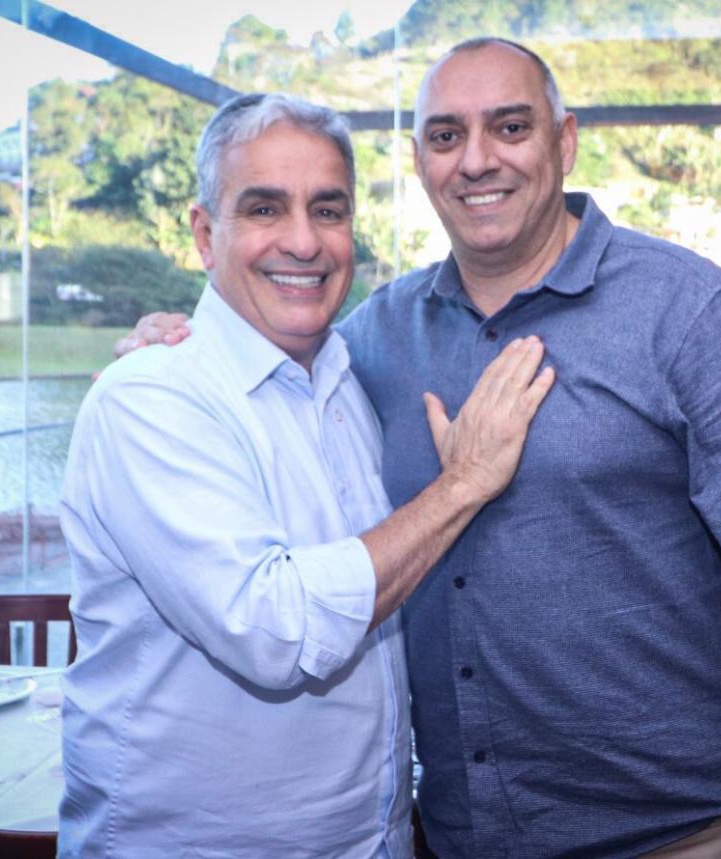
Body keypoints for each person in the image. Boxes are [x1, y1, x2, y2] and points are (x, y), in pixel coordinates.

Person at [118, 39, 721, 859]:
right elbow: (268, 336)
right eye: (446, 136)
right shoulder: (374, 340)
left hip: (686, 835)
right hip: (463, 837)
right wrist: (180, 338)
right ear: (419, 162)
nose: (477, 160)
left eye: (511, 127)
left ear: (564, 141)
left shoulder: (693, 314)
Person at [59, 92, 554, 859]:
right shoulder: (150, 396)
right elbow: (276, 629)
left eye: (328, 211)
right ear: (204, 234)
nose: (303, 241)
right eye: (264, 209)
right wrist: (463, 484)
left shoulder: (352, 377)